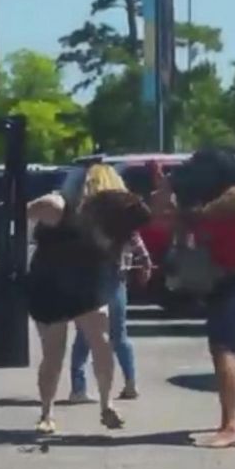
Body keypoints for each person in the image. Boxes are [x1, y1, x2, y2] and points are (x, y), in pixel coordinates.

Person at [151, 149, 235, 449]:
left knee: (223, 346)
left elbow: (199, 216)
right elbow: (163, 220)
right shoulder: (203, 201)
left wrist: (179, 200)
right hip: (224, 281)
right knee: (222, 345)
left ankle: (230, 427)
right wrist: (164, 190)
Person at [26, 168, 151, 434]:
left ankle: (106, 404)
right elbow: (17, 216)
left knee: (101, 342)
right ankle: (47, 413)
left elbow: (142, 220)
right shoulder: (58, 205)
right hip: (52, 283)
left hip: (87, 282)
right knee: (54, 352)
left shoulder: (113, 215)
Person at [68, 165, 152, 403]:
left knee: (84, 335)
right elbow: (137, 241)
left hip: (88, 277)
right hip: (117, 276)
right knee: (119, 334)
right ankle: (130, 382)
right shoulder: (124, 210)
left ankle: (78, 387)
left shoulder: (84, 210)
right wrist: (145, 264)